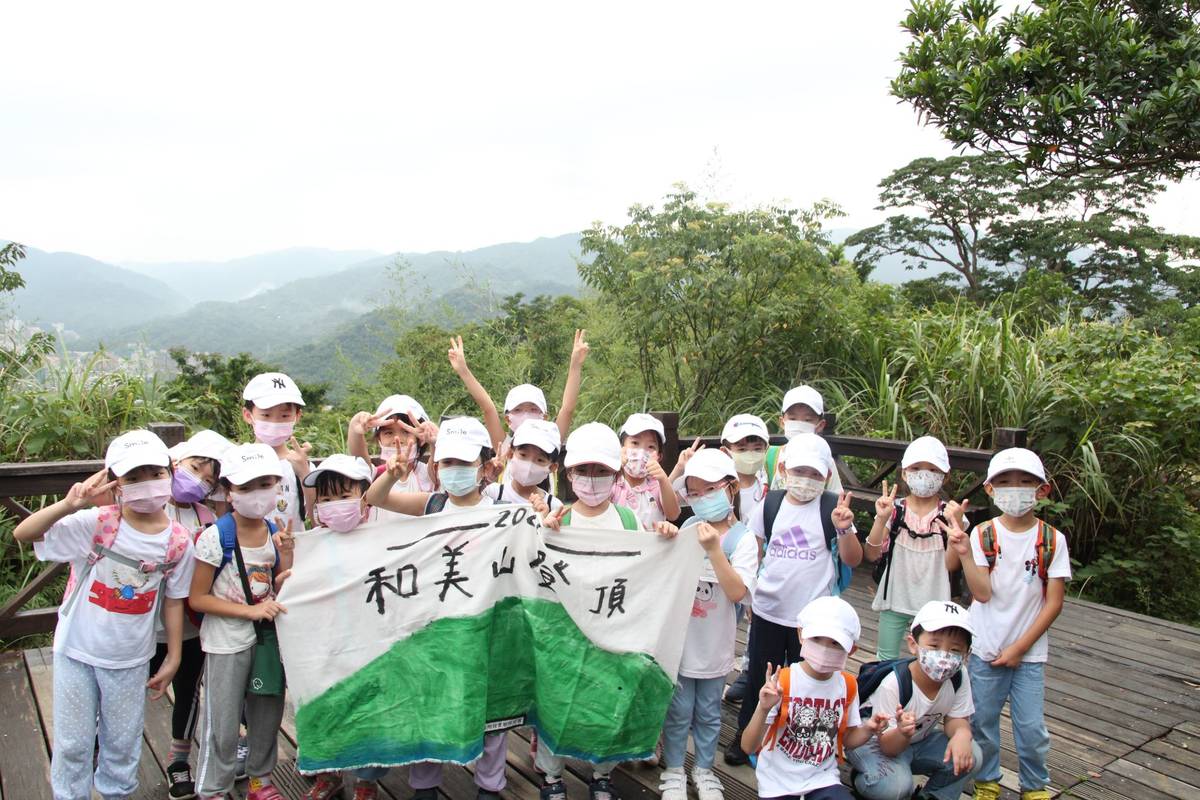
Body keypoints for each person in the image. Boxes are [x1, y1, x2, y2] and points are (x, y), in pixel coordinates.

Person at [14, 430, 196, 800]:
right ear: (116, 483)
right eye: (133, 477)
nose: (146, 484)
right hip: (77, 651)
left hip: (130, 659)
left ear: (171, 471)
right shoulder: (97, 523)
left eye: (155, 473)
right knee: (73, 743)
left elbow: (174, 600)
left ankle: (117, 794)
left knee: (123, 743)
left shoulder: (178, 540)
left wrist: (174, 656)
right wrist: (69, 505)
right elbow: (24, 532)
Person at [365, 417, 510, 800]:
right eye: (446, 463)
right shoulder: (432, 503)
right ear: (435, 467)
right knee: (430, 700)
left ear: (482, 465)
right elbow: (375, 500)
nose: (454, 471)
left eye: (463, 463)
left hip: (487, 623)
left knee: (491, 707)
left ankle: (490, 785)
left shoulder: (503, 507)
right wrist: (391, 475)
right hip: (435, 624)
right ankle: (425, 784)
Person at [538, 422, 678, 800]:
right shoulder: (560, 518)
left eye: (601, 471)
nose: (591, 478)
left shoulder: (628, 519)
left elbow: (644, 568)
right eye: (583, 470)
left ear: (614, 475)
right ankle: (552, 778)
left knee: (609, 698)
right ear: (569, 474)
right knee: (556, 699)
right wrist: (543, 531)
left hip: (612, 629)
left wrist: (664, 538)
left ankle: (602, 773)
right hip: (566, 633)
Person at [726, 436, 863, 766]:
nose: (807, 480)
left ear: (826, 476)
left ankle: (796, 737)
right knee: (762, 674)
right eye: (800, 471)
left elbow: (854, 559)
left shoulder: (831, 508)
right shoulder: (771, 504)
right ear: (784, 469)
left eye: (815, 474)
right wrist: (749, 598)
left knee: (806, 678)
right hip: (769, 608)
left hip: (812, 620)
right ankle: (748, 736)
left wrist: (845, 530)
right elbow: (756, 550)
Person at [943, 448, 1069, 800]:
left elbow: (1054, 602)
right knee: (982, 722)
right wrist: (966, 553)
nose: (1016, 489)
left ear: (1042, 490)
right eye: (1006, 482)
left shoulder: (1052, 540)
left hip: (1028, 654)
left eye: (1026, 482)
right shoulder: (983, 535)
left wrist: (1019, 648)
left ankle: (1034, 785)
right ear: (990, 489)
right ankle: (986, 779)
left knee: (1031, 728)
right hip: (985, 648)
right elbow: (981, 593)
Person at [190, 443, 295, 800]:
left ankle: (260, 781)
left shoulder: (273, 532)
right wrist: (250, 611)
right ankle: (213, 789)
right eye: (246, 487)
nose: (257, 494)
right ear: (229, 491)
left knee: (267, 709)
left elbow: (277, 584)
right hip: (226, 642)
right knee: (222, 718)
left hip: (266, 641)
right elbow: (198, 598)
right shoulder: (216, 537)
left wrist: (289, 556)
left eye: (266, 483)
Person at [659, 451, 756, 800]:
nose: (701, 499)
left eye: (709, 489)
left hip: (716, 648)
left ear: (730, 488)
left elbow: (738, 592)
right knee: (678, 711)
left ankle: (702, 769)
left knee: (710, 713)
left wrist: (715, 551)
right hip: (681, 646)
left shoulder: (741, 540)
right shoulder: (687, 527)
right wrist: (665, 536)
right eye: (694, 493)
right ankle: (672, 769)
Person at [299, 454, 391, 800]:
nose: (334, 505)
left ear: (365, 497)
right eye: (325, 498)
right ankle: (328, 773)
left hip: (371, 642)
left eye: (344, 496)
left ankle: (367, 781)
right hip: (325, 643)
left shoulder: (384, 537)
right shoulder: (308, 542)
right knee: (326, 705)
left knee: (369, 709)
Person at [740, 596, 888, 800]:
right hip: (778, 782)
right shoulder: (782, 682)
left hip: (823, 779)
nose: (825, 648)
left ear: (851, 649)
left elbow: (847, 740)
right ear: (801, 634)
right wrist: (763, 708)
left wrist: (868, 729)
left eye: (836, 643)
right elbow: (748, 746)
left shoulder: (847, 686)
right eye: (817, 638)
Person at [156, 429, 233, 799]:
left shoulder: (207, 516)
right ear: (175, 462)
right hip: (139, 622)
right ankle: (102, 750)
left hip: (189, 624)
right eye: (194, 467)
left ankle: (178, 761)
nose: (198, 478)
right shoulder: (148, 505)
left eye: (208, 477)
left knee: (187, 691)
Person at [847, 601, 981, 800]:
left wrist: (961, 733)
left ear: (966, 655)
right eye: (934, 646)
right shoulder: (894, 684)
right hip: (876, 742)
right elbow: (888, 747)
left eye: (955, 650)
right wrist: (902, 732)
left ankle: (933, 796)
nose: (944, 656)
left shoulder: (958, 676)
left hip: (917, 741)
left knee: (972, 755)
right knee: (896, 788)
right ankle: (866, 777)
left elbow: (956, 718)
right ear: (913, 644)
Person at [863, 436, 962, 660]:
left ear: (944, 477)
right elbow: (871, 553)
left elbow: (951, 565)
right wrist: (881, 519)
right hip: (894, 598)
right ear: (905, 473)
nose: (924, 474)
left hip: (934, 603)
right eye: (916, 468)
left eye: (932, 469)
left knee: (930, 661)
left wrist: (956, 530)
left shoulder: (950, 515)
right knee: (884, 660)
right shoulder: (894, 510)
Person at [448, 330, 590, 455]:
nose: (526, 414)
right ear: (508, 419)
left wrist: (575, 364)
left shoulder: (551, 444)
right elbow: (488, 408)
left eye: (533, 409)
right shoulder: (505, 448)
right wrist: (463, 370)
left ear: (544, 417)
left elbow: (567, 409)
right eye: (518, 410)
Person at [241, 371, 313, 530]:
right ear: (248, 415)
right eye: (266, 415)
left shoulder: (301, 464)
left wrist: (305, 474)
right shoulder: (238, 461)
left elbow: (316, 516)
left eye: (285, 416)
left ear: (297, 416)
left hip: (295, 550)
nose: (275, 422)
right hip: (249, 552)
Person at [346, 394, 438, 495]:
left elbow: (439, 461)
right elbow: (360, 460)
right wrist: (355, 427)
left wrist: (435, 441)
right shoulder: (375, 475)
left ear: (421, 439)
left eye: (406, 431)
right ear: (379, 439)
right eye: (389, 433)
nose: (397, 439)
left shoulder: (429, 474)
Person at [764, 385, 843, 492]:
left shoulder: (826, 460)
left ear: (820, 425)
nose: (799, 424)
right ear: (782, 422)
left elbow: (836, 499)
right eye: (792, 418)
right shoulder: (770, 455)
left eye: (807, 420)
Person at [611, 413, 681, 528]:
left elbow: (673, 515)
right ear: (621, 448)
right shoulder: (613, 482)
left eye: (651, 447)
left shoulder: (657, 486)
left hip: (652, 545)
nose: (641, 451)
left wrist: (663, 479)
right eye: (635, 443)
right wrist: (614, 469)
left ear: (659, 456)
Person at [483, 417, 564, 513]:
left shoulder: (555, 506)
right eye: (523, 455)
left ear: (552, 467)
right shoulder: (491, 492)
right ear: (510, 454)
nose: (529, 465)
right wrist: (485, 479)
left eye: (540, 460)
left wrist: (543, 520)